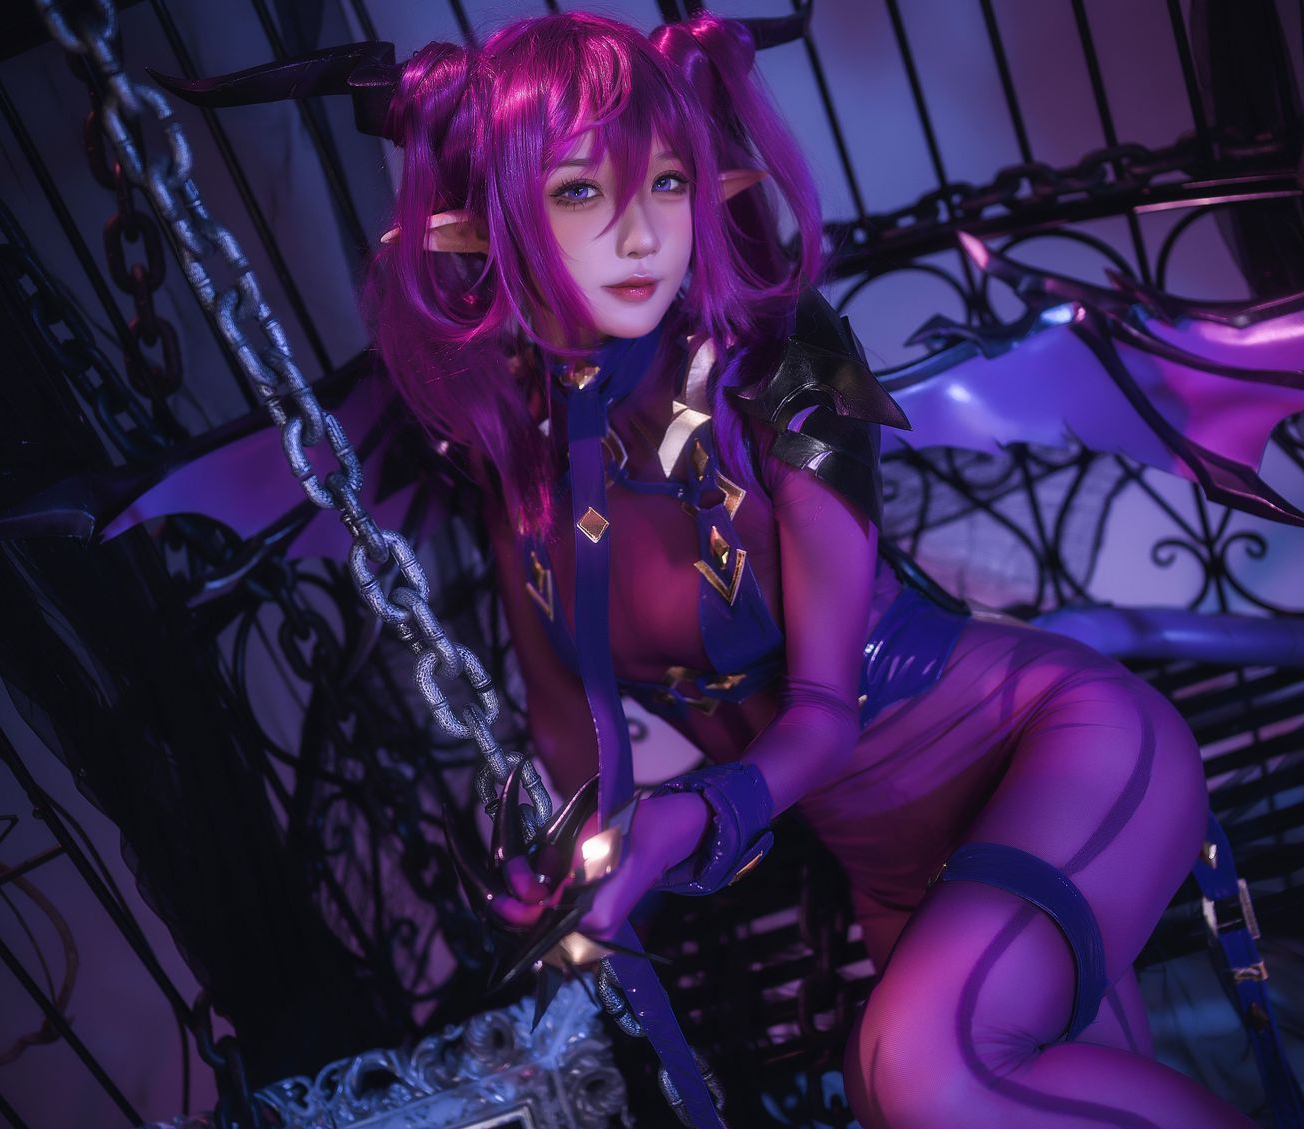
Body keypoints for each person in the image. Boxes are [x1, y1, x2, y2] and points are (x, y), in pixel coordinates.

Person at [364, 12, 1255, 1128]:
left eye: (669, 183)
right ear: (497, 222)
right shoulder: (526, 474)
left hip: (1055, 750)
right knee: (921, 1097)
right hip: (894, 867)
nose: (640, 236)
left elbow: (825, 716)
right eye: (582, 192)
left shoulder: (785, 365)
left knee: (920, 1071)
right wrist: (570, 870)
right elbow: (574, 745)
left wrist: (690, 816)